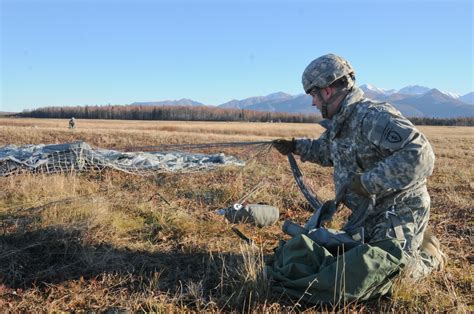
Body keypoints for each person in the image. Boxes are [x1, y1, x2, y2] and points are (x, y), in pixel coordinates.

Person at [273, 53, 444, 279]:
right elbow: (326, 151)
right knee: (346, 259)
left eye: (313, 95)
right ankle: (411, 240)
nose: (313, 102)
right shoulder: (342, 122)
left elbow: (421, 154)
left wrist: (368, 182)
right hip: (367, 214)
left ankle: (431, 255)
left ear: (327, 91)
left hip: (399, 208)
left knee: (393, 273)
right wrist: (295, 146)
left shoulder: (373, 116)